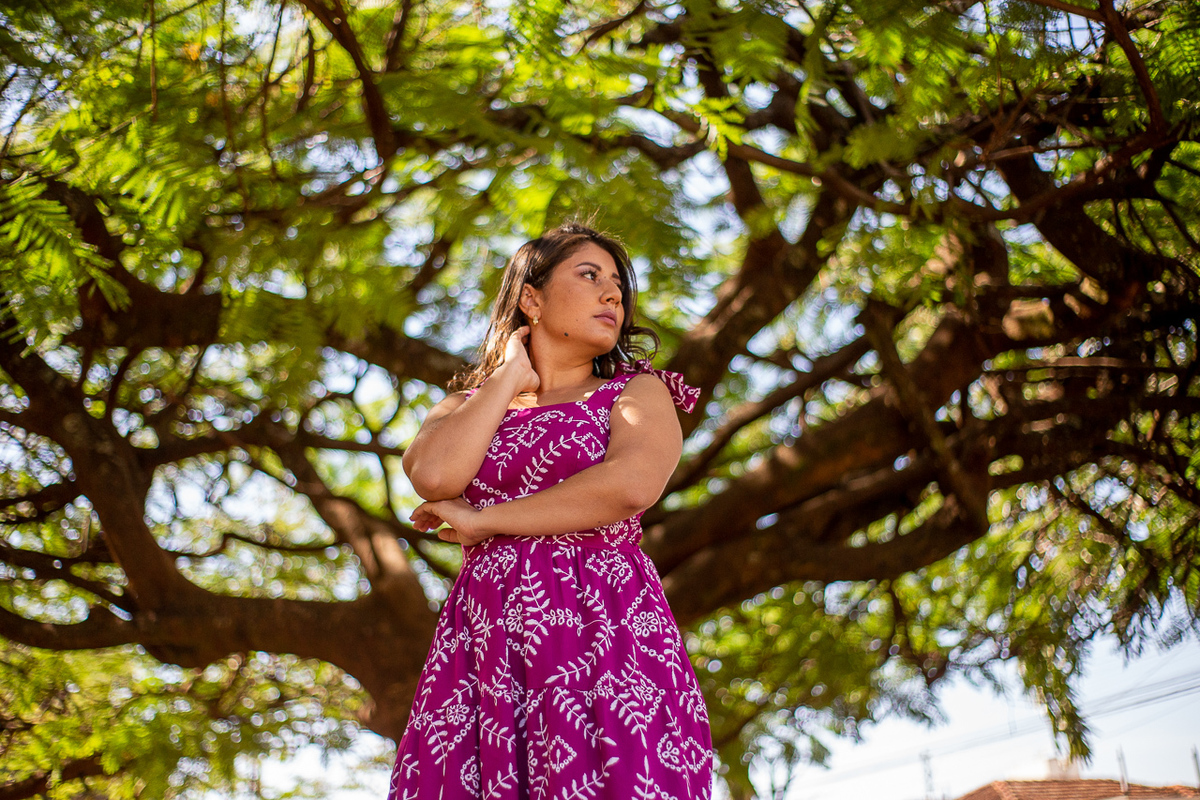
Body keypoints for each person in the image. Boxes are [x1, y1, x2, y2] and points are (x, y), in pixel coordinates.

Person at [387, 222, 713, 799]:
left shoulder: (637, 393)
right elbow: (435, 475)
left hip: (602, 623)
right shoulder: (466, 405)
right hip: (485, 638)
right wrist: (512, 373)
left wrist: (484, 520)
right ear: (530, 298)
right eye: (589, 276)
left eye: (617, 284)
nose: (612, 294)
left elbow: (629, 486)